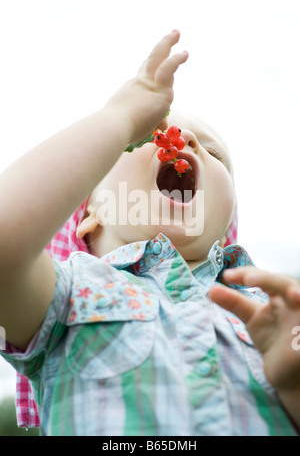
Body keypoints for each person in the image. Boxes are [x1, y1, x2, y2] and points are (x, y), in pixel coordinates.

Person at [0, 30, 299, 436]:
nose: (188, 140)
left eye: (214, 153)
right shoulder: (70, 292)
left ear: (224, 231)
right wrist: (119, 120)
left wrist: (293, 384)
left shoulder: (270, 309)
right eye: (143, 138)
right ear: (90, 213)